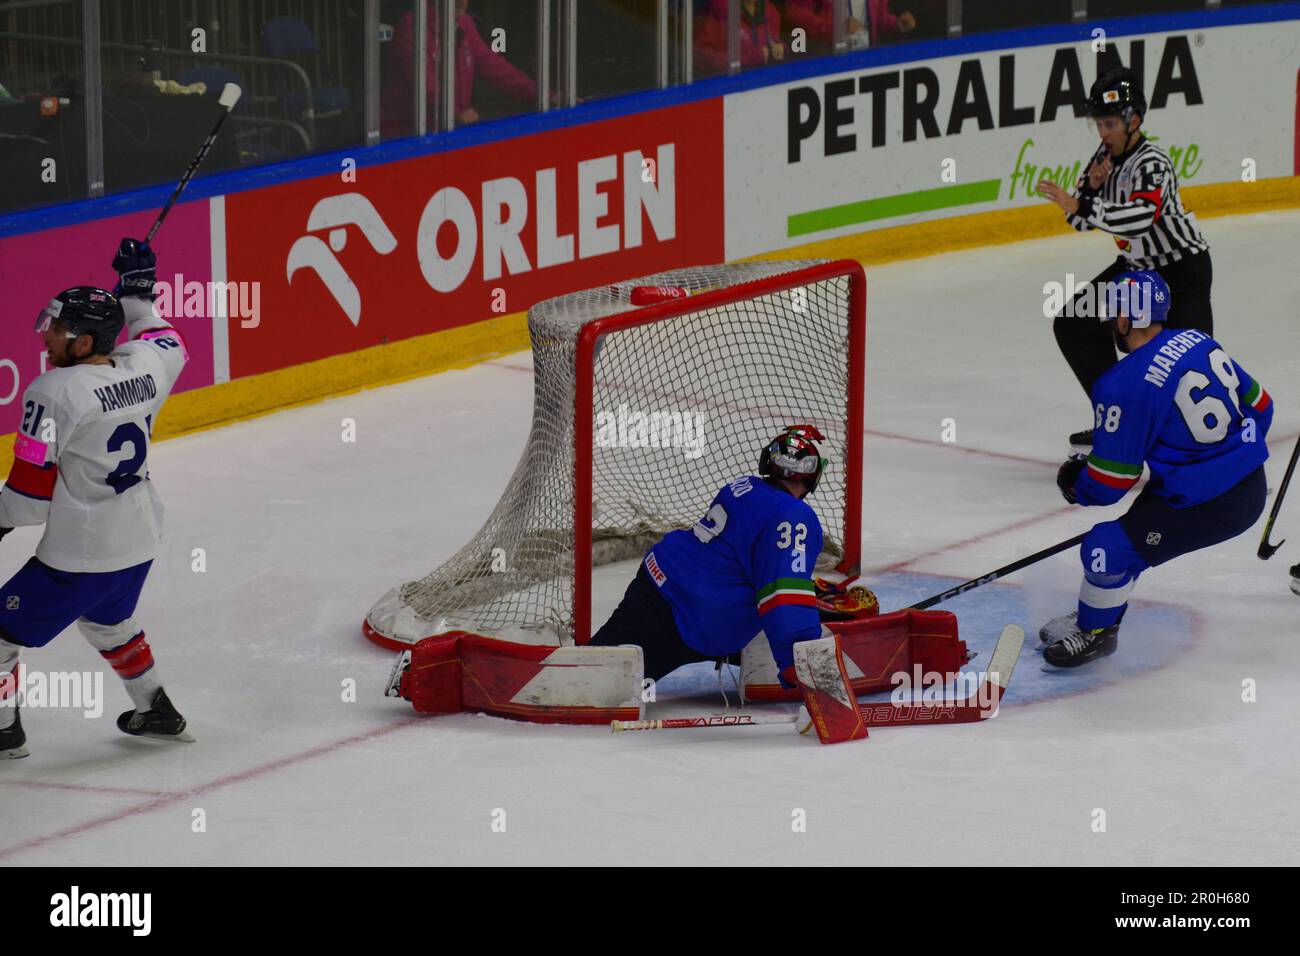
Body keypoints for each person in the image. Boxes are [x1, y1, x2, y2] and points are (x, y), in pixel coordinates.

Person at [0, 240, 192, 758]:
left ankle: (2, 732)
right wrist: (138, 293)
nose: (47, 336)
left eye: (58, 330)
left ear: (84, 344)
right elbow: (166, 338)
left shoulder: (53, 391)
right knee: (110, 624)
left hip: (81, 554)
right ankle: (155, 709)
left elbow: (28, 497)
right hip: (138, 539)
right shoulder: (146, 367)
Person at [1040, 272, 1272, 668]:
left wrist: (1074, 483)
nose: (1112, 322)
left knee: (1105, 549)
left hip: (1214, 503)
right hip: (1244, 482)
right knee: (1129, 543)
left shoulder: (1121, 384)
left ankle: (1096, 633)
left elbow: (1110, 483)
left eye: (1115, 314)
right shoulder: (1200, 340)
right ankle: (1096, 614)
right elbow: (1262, 407)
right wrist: (1224, 455)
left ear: (1127, 320)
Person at [1037, 67, 1213, 452]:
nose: (1103, 132)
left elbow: (1139, 219)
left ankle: (1210, 442)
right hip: (1138, 270)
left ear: (1134, 120)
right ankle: (1117, 419)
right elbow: (1078, 219)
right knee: (1073, 322)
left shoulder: (1153, 162)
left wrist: (1084, 200)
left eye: (1110, 123)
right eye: (1098, 123)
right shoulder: (1105, 156)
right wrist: (1091, 190)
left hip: (1181, 270)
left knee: (1192, 359)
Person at [589, 425, 829, 688]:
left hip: (662, 580)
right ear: (813, 476)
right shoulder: (794, 517)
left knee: (593, 668)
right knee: (594, 684)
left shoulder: (743, 486)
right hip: (692, 615)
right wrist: (799, 659)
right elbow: (784, 591)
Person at [382, 0, 539, 136]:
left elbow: (495, 67)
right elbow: (424, 85)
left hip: (451, 131)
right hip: (405, 139)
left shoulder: (464, 23)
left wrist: (540, 94)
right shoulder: (412, 27)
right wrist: (455, 113)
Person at [695, 0, 785, 73]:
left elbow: (774, 43)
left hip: (764, 86)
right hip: (727, 86)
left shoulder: (772, 13)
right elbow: (703, 58)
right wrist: (751, 57)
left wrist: (780, 49)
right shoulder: (720, 9)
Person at [783, 0, 917, 49]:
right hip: (827, 59)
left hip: (866, 58)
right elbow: (793, 12)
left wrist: (896, 24)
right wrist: (836, 28)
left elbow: (878, 17)